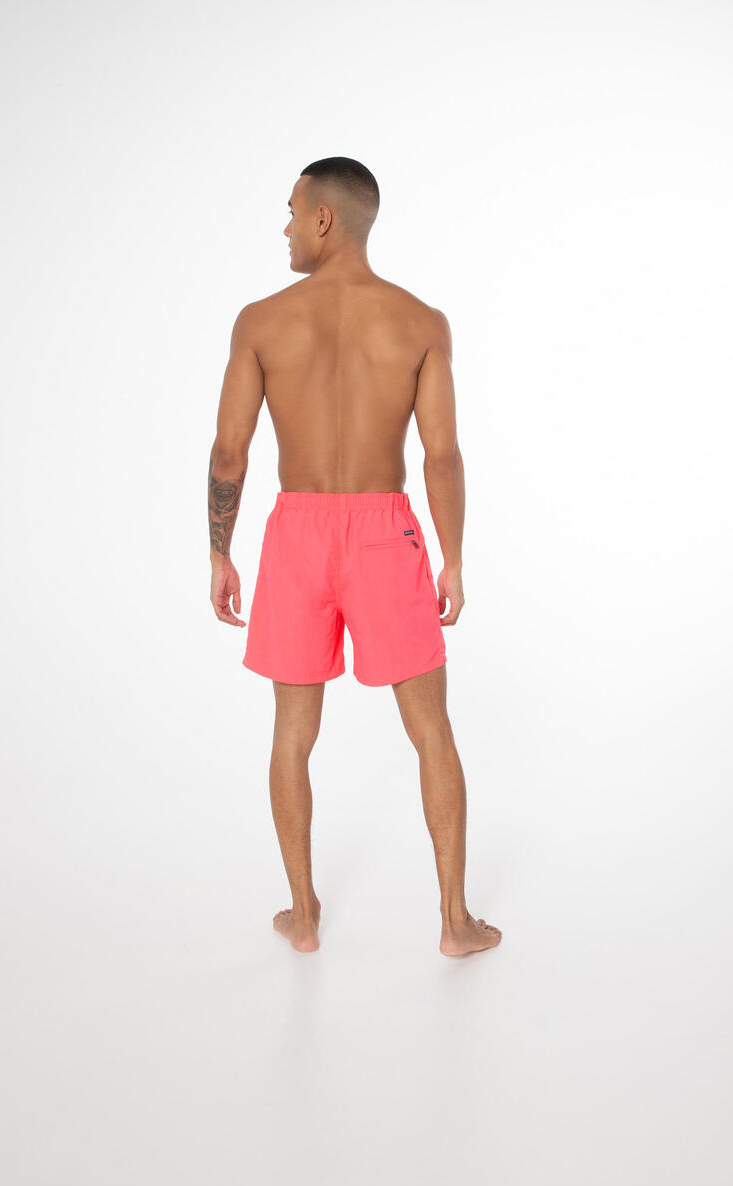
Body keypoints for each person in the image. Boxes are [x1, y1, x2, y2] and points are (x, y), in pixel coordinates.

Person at [208, 156, 501, 957]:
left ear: (324, 218)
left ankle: (303, 915)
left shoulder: (260, 322)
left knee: (292, 731)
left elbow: (230, 452)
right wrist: (452, 559)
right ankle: (455, 922)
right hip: (383, 533)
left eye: (292, 211)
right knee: (431, 728)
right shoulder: (420, 323)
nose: (286, 228)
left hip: (296, 534)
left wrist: (220, 553)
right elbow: (442, 456)